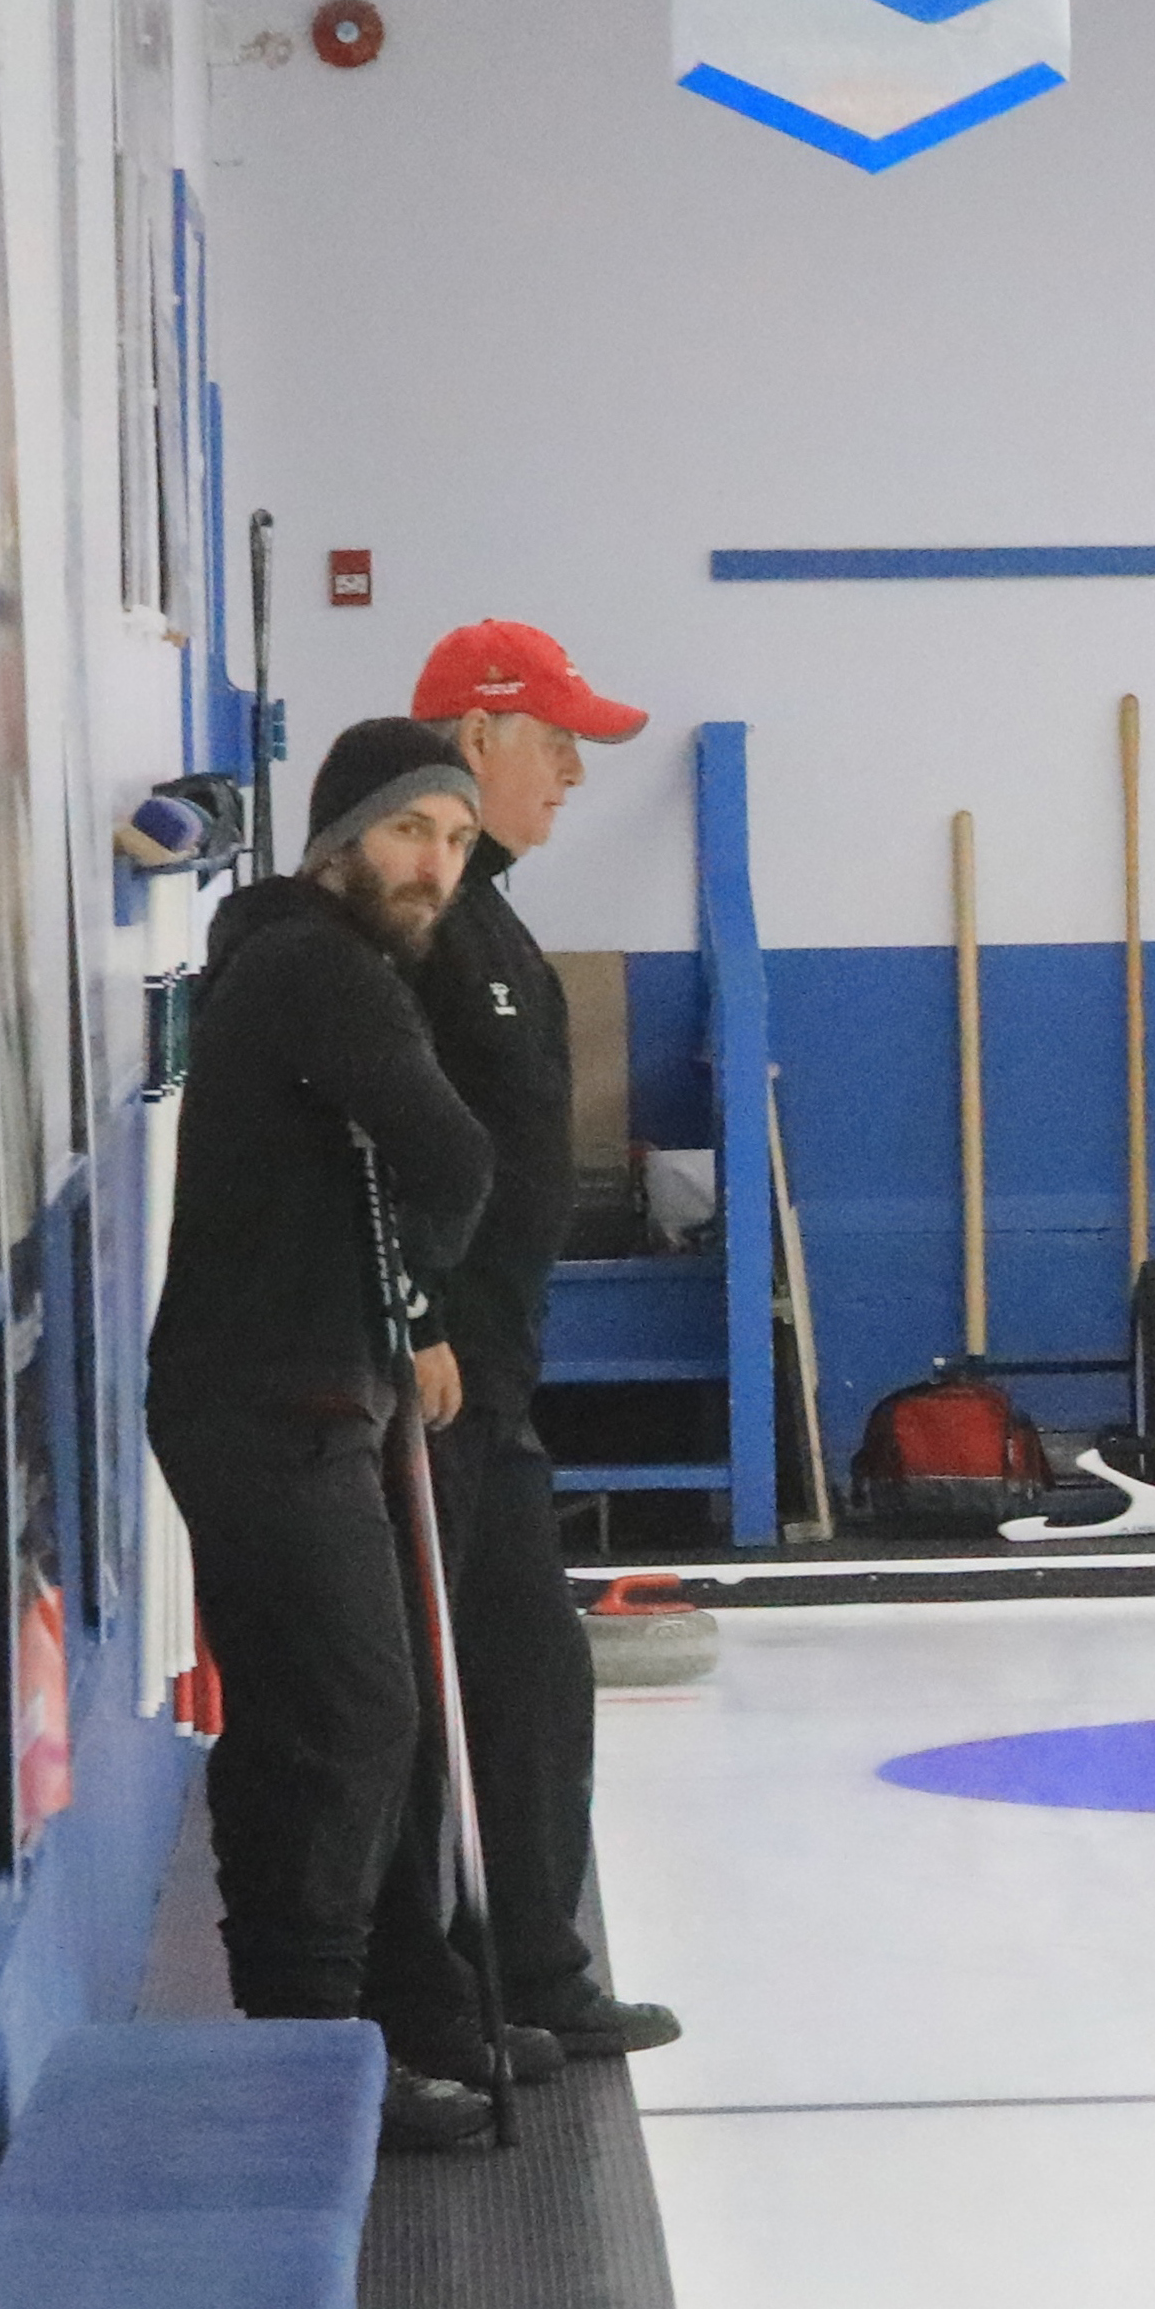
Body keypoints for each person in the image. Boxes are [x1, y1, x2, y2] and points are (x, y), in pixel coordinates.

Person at [146, 719, 506, 2153]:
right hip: (280, 1401)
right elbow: (453, 1153)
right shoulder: (318, 966)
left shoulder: (278, 954)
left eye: (459, 845)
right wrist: (418, 1309)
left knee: (303, 1720)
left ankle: (292, 2042)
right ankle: (315, 2056)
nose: (435, 865)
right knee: (361, 1719)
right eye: (412, 832)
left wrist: (393, 1310)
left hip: (256, 1392)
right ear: (339, 837)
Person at [402, 623, 689, 2073]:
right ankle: (459, 1991)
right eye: (555, 739)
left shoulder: (493, 919)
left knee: (528, 1680)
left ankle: (526, 1966)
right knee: (462, 1687)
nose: (575, 768)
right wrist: (422, 1322)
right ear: (474, 738)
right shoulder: (430, 926)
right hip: (439, 1387)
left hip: (498, 1375)